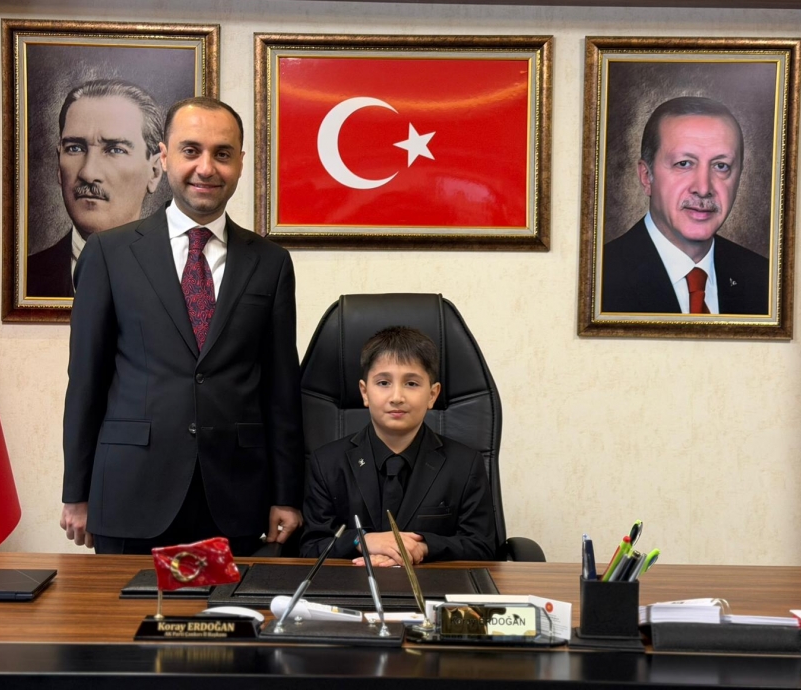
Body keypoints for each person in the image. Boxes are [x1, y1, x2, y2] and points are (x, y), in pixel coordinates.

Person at [59, 96, 304, 556]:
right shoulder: (109, 254)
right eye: (191, 150)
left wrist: (287, 495)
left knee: (232, 607)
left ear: (240, 163)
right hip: (130, 492)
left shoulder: (270, 264)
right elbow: (86, 382)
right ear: (164, 157)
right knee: (124, 606)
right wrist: (76, 492)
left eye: (222, 153)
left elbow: (281, 390)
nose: (206, 168)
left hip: (236, 496)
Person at [300, 326, 496, 565]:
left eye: (411, 384)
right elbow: (311, 547)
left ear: (432, 395)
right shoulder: (327, 463)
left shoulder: (465, 464)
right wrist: (362, 541)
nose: (396, 397)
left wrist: (423, 547)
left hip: (431, 584)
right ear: (364, 392)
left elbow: (482, 546)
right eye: (383, 382)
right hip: (353, 583)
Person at [601, 96, 769, 315]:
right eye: (684, 164)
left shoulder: (765, 280)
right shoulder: (599, 277)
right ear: (646, 177)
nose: (703, 188)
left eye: (721, 166)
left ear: (738, 178)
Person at [26, 79, 164, 298]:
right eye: (75, 148)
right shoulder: (26, 279)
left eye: (115, 150)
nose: (88, 173)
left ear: (154, 171)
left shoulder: (183, 279)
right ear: (58, 166)